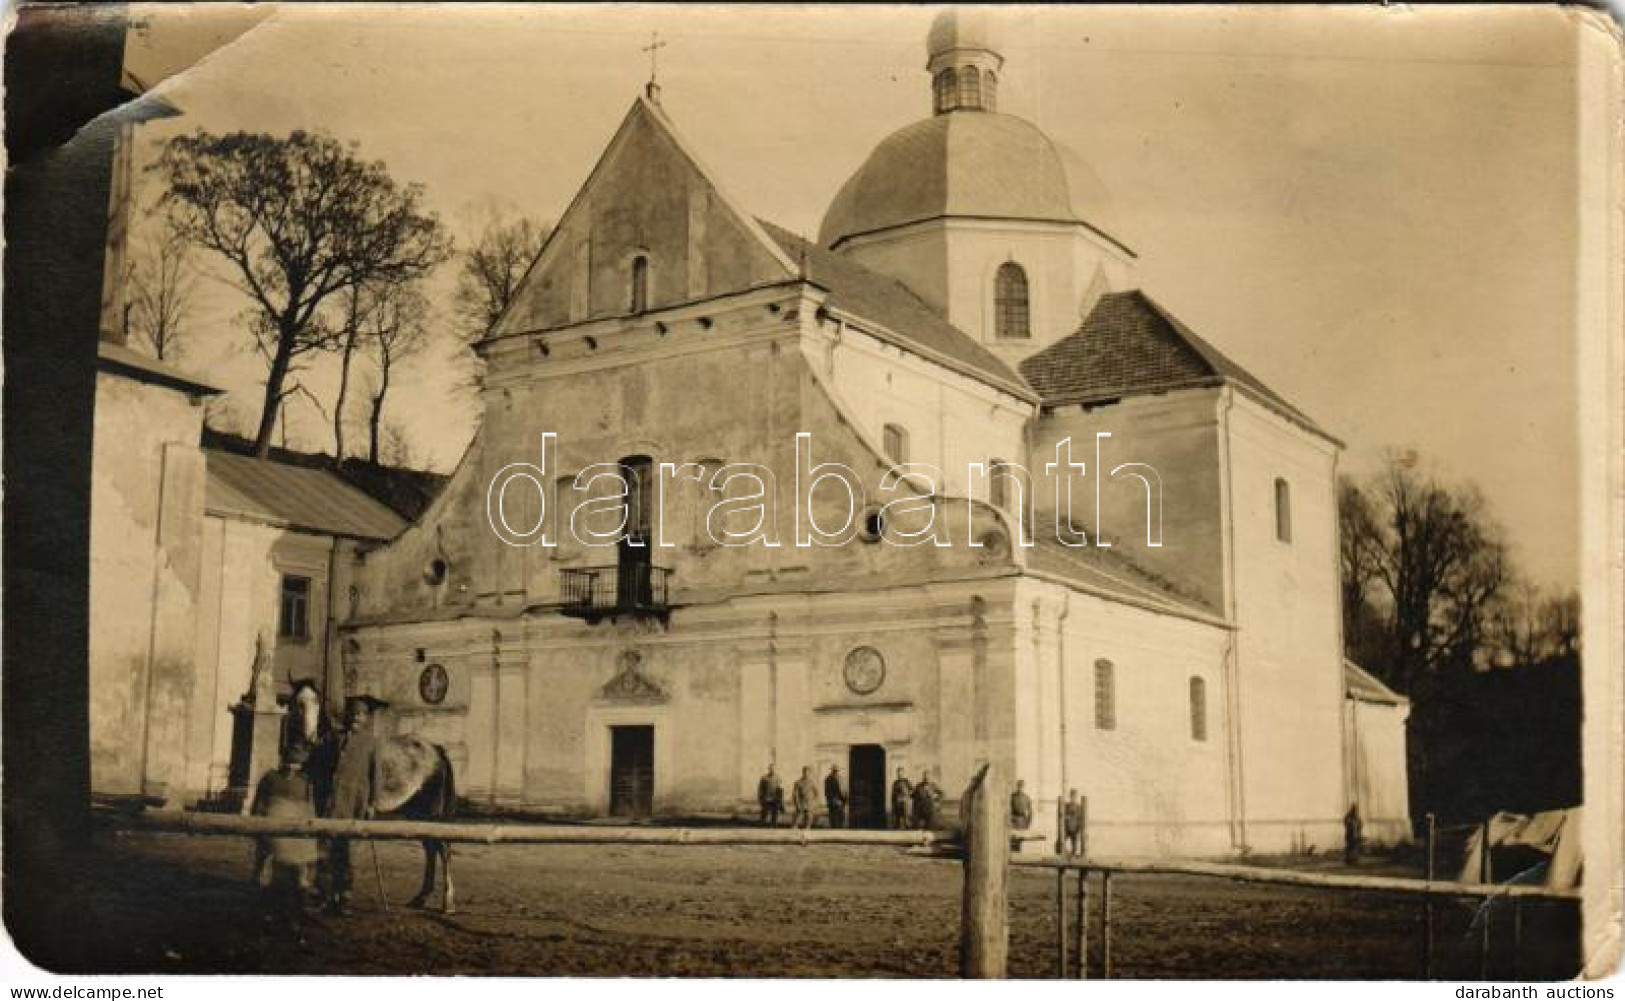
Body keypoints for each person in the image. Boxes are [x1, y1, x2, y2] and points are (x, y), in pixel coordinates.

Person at [325, 693, 388, 913]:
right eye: (353, 713)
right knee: (330, 848)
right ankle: (329, 893)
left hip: (356, 803)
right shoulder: (335, 738)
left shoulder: (371, 743)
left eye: (361, 714)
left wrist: (373, 804)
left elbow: (377, 776)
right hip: (334, 803)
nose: (356, 718)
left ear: (366, 718)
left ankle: (345, 895)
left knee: (349, 852)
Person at [249, 743, 319, 930]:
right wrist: (258, 828)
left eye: (296, 764)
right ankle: (267, 912)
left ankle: (297, 912)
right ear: (282, 760)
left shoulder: (305, 783)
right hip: (272, 834)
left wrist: (308, 835)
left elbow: (309, 811)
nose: (290, 768)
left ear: (301, 765)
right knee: (270, 874)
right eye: (288, 762)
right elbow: (258, 805)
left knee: (298, 876)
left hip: (296, 838)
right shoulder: (270, 778)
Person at [824, 765, 848, 829]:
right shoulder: (828, 779)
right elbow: (827, 792)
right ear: (832, 770)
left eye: (837, 771)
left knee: (841, 816)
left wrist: (845, 800)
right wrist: (834, 800)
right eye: (834, 771)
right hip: (833, 801)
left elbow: (844, 790)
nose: (836, 772)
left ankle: (840, 828)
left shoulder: (841, 778)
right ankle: (834, 829)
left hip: (841, 801)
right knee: (833, 817)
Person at [1062, 788, 1084, 856]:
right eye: (1072, 796)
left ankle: (1073, 856)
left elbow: (1080, 819)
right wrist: (1066, 818)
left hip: (1075, 829)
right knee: (1060, 843)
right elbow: (1063, 816)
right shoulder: (1066, 806)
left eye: (1074, 796)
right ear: (1070, 796)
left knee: (1074, 846)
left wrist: (1079, 828)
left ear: (1076, 797)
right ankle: (1065, 854)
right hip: (1067, 828)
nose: (1073, 798)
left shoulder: (1079, 807)